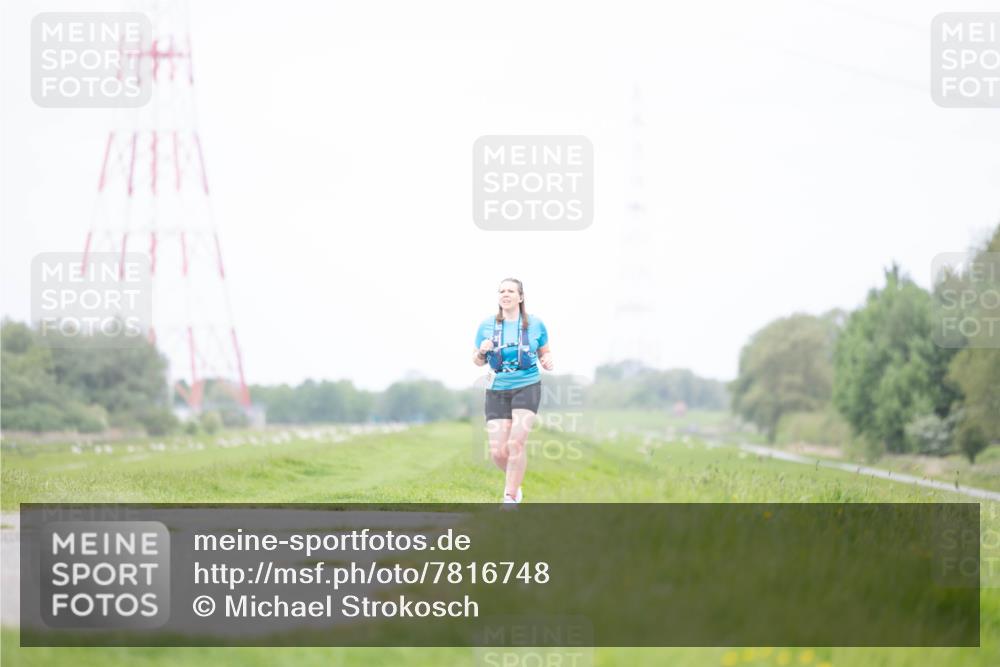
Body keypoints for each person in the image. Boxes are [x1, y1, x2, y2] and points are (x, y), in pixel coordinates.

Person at [473, 278, 553, 506]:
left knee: (516, 443)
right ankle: (516, 486)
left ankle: (509, 498)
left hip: (527, 385)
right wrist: (481, 351)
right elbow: (477, 361)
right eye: (501, 291)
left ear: (521, 297)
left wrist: (546, 359)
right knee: (498, 451)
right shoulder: (486, 325)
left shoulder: (536, 324)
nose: (505, 294)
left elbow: (545, 352)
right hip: (497, 388)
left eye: (510, 291)